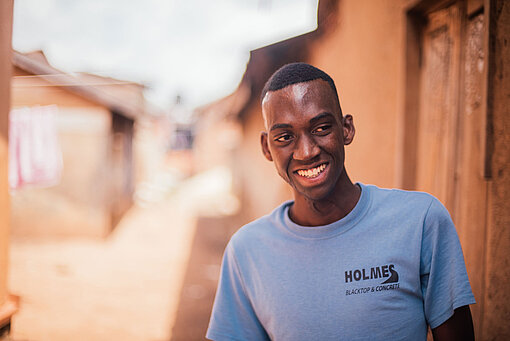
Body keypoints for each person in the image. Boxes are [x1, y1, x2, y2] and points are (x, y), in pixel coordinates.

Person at [206, 63, 475, 340]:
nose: (307, 151)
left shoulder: (420, 221)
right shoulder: (247, 250)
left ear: (346, 129)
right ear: (266, 147)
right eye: (285, 137)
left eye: (321, 128)